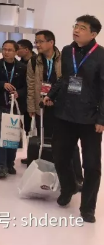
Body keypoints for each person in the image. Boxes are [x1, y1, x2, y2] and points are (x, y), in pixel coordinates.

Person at [44, 15, 104, 224]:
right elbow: (66, 78)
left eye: (82, 28)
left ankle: (88, 207)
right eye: (76, 26)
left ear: (93, 34)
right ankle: (69, 187)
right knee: (60, 156)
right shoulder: (68, 51)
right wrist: (52, 94)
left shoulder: (101, 55)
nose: (76, 30)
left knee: (92, 165)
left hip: (90, 119)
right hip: (65, 114)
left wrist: (102, 119)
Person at [25, 30, 83, 181]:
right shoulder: (33, 61)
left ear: (51, 42)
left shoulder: (65, 58)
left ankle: (76, 176)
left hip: (63, 107)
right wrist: (31, 107)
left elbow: (72, 82)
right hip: (42, 107)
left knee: (68, 142)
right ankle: (47, 175)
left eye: (40, 41)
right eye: (36, 42)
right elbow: (31, 85)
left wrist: (59, 99)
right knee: (45, 140)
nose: (37, 45)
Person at [0, 40, 27, 179]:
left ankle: (10, 163)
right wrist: (2, 84)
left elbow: (27, 87)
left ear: (16, 52)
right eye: (4, 49)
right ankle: (1, 166)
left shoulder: (22, 67)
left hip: (15, 107)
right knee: (0, 136)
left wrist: (18, 93)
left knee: (12, 136)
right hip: (0, 106)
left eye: (10, 50)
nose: (6, 52)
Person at [17, 39, 36, 140]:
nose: (16, 51)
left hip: (35, 98)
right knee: (26, 127)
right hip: (22, 99)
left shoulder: (37, 62)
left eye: (18, 48)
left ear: (26, 50)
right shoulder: (19, 64)